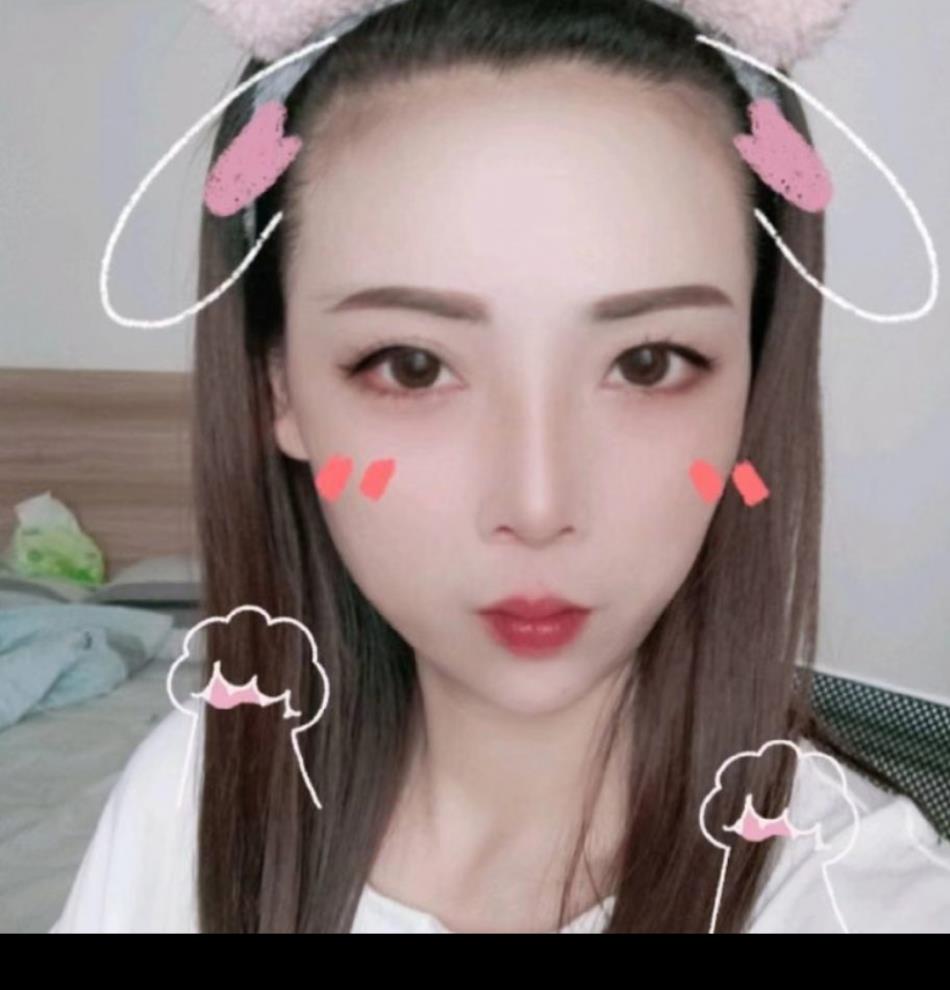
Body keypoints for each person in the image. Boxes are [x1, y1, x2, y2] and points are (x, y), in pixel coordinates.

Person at [52, 0, 950, 933]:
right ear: (279, 388)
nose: (537, 501)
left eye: (648, 363)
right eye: (413, 366)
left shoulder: (867, 902)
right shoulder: (190, 792)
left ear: (752, 381)